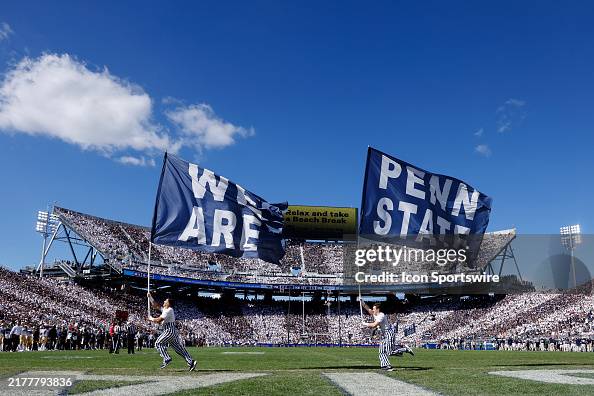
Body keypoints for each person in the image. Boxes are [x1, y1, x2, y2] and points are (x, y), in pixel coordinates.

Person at [147, 292, 197, 371]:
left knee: (158, 343)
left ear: (169, 303)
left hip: (169, 331)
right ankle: (191, 362)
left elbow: (159, 320)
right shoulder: (165, 310)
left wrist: (151, 318)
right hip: (171, 331)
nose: (164, 302)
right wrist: (150, 297)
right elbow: (156, 305)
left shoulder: (169, 310)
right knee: (179, 349)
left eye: (165, 301)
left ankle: (167, 358)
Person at [361, 300, 413, 371]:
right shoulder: (375, 314)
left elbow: (374, 325)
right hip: (384, 335)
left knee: (390, 352)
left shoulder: (381, 315)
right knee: (381, 351)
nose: (372, 310)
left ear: (378, 309)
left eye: (374, 309)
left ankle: (405, 349)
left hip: (389, 333)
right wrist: (362, 303)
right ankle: (385, 366)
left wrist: (365, 324)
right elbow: (368, 309)